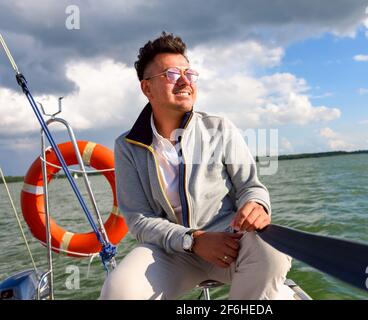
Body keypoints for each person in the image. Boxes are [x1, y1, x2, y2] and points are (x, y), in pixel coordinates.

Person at [100, 31, 292, 300]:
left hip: (231, 241)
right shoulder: (127, 146)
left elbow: (251, 187)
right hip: (170, 253)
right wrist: (193, 239)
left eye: (189, 74)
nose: (184, 81)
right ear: (147, 88)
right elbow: (139, 220)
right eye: (171, 74)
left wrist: (256, 205)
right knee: (118, 291)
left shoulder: (219, 128)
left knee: (273, 254)